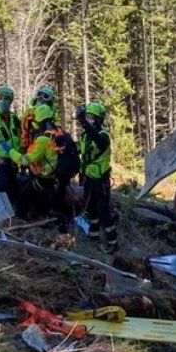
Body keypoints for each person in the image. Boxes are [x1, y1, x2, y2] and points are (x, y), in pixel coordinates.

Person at [10, 103, 72, 227]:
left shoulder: (43, 140)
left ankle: (20, 217)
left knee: (24, 191)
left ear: (38, 122)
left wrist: (10, 151)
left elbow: (25, 160)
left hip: (46, 179)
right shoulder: (58, 134)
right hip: (57, 178)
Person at [76, 101, 117, 250]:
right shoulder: (84, 136)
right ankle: (93, 237)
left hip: (101, 180)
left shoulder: (103, 135)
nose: (89, 119)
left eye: (92, 117)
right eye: (87, 116)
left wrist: (83, 122)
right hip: (88, 179)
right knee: (91, 209)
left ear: (100, 119)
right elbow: (83, 154)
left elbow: (99, 143)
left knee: (103, 211)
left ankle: (112, 242)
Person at [21, 85, 57, 149]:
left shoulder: (48, 113)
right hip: (28, 146)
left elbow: (50, 133)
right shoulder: (28, 113)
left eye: (45, 96)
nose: (41, 98)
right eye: (39, 94)